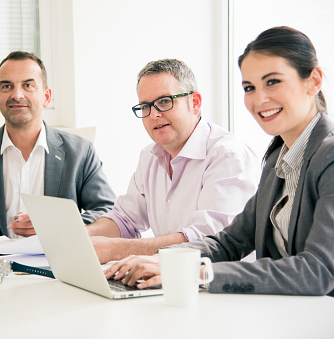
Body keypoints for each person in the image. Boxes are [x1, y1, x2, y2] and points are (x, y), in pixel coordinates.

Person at [106, 26, 334, 296]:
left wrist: (193, 272)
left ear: (314, 81)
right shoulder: (277, 159)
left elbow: (318, 271)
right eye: (250, 87)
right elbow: (230, 241)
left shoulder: (328, 157)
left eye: (272, 81)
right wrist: (164, 261)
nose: (259, 99)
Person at [87, 58, 260, 263]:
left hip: (218, 285)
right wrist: (77, 239)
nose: (153, 114)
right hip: (168, 279)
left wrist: (117, 250)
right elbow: (124, 220)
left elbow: (209, 241)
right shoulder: (149, 157)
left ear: (194, 103)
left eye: (164, 102)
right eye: (145, 106)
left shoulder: (228, 155)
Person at [0, 51, 115, 238]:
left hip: (55, 264)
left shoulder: (81, 152)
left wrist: (55, 225)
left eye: (28, 85)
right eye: (7, 86)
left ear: (46, 96)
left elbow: (108, 212)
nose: (17, 95)